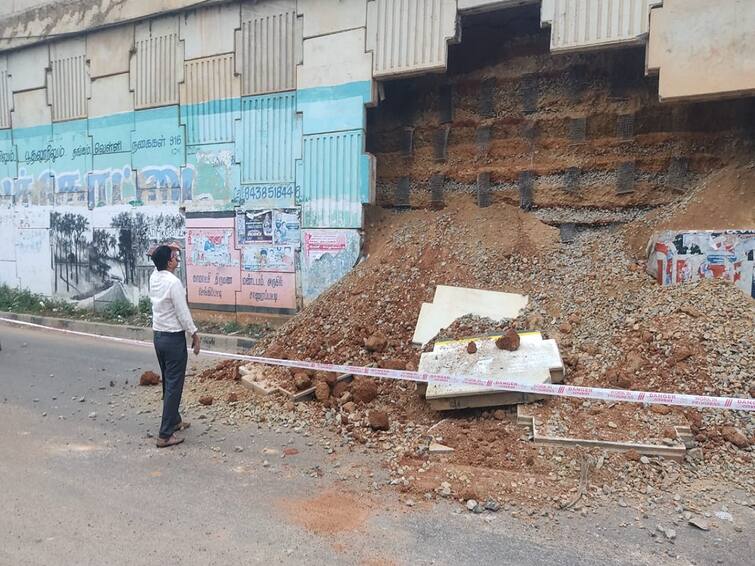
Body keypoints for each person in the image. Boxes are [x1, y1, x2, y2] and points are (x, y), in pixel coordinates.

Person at [148, 245, 200, 448]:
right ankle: (165, 434)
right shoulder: (173, 283)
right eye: (175, 257)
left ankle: (175, 420)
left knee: (168, 382)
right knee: (174, 386)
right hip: (173, 339)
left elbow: (156, 262)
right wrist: (194, 334)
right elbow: (182, 313)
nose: (178, 260)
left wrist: (166, 248)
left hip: (158, 337)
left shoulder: (155, 277)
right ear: (168, 262)